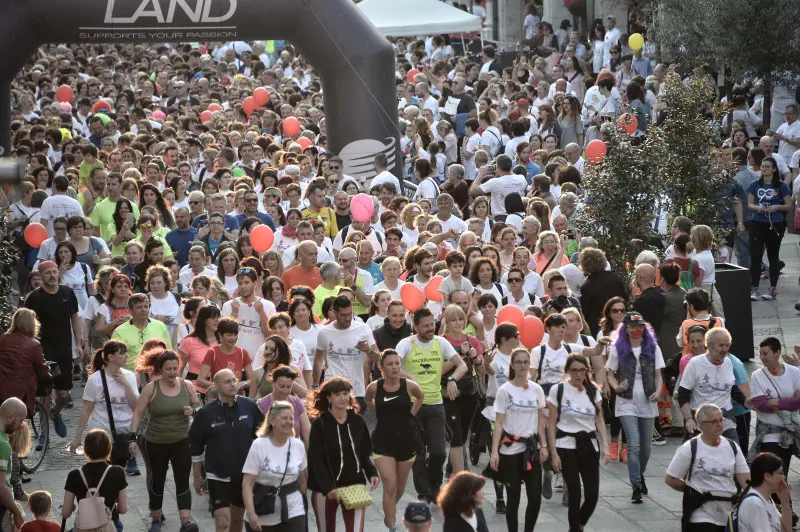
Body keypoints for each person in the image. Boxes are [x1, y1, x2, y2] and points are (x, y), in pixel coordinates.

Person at [395, 308, 468, 504]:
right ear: (416, 326)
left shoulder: (441, 342)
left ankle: (434, 486)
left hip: (436, 404)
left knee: (438, 451)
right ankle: (424, 493)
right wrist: (407, 377)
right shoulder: (406, 344)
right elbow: (392, 366)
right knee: (418, 453)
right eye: (425, 326)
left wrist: (452, 378)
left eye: (432, 325)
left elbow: (462, 365)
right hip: (413, 405)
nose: (430, 329)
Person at [130, 350, 201, 532]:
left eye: (175, 368)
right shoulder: (151, 388)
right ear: (160, 370)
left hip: (181, 441)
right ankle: (155, 518)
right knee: (157, 480)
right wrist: (132, 438)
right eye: (168, 369)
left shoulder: (187, 386)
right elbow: (137, 413)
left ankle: (185, 521)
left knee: (182, 479)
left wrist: (192, 412)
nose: (172, 372)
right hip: (155, 442)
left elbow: (198, 407)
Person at [190, 369, 265, 532]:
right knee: (223, 522)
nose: (232, 384)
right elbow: (195, 448)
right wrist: (197, 477)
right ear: (216, 386)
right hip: (217, 474)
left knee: (237, 518)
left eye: (234, 380)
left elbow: (264, 435)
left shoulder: (249, 406)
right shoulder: (205, 414)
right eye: (227, 381)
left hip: (244, 474)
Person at [605, 312, 665, 503]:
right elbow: (610, 374)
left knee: (646, 449)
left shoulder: (653, 348)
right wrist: (615, 387)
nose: (637, 330)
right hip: (626, 401)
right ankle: (636, 486)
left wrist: (658, 391)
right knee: (634, 444)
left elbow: (658, 375)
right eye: (632, 326)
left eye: (640, 327)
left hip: (647, 400)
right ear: (626, 328)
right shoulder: (618, 348)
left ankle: (640, 474)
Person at [306, 377, 379, 532]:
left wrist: (372, 473)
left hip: (354, 485)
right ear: (329, 397)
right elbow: (315, 460)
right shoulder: (320, 424)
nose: (343, 397)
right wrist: (328, 488)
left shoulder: (358, 421)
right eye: (337, 394)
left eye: (346, 393)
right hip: (325, 490)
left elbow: (364, 453)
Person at [548, 354, 610, 532]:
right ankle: (574, 529)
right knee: (574, 494)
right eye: (574, 370)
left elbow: (599, 420)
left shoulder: (593, 391)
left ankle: (579, 525)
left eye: (582, 370)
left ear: (587, 371)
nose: (578, 374)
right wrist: (554, 453)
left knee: (592, 495)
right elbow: (551, 423)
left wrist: (605, 446)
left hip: (589, 444)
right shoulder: (558, 391)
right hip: (566, 445)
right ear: (567, 371)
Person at [665, 403, 750, 531]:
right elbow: (670, 478)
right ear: (701, 425)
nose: (720, 424)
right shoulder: (690, 448)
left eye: (721, 420)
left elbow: (746, 480)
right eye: (714, 421)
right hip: (700, 514)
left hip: (726, 514)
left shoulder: (732, 446)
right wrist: (692, 491)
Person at [365, 350, 424, 532]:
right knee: (389, 486)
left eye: (397, 363)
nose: (394, 367)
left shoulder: (409, 385)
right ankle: (392, 525)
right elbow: (368, 401)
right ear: (381, 367)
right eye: (390, 364)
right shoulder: (375, 387)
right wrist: (380, 413)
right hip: (382, 442)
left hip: (406, 442)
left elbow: (420, 396)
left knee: (399, 489)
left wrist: (411, 415)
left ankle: (389, 507)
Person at [23, 260, 83, 439]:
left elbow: (75, 317)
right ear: (40, 276)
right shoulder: (35, 298)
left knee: (63, 395)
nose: (52, 275)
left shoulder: (67, 292)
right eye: (47, 273)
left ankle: (56, 414)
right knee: (46, 394)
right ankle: (43, 434)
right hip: (43, 351)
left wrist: (79, 343)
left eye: (54, 272)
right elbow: (27, 324)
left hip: (64, 349)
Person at [490, 348, 547, 532]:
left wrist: (544, 445)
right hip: (510, 450)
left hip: (531, 450)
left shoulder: (536, 390)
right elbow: (498, 423)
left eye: (525, 362)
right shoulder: (504, 391)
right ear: (512, 365)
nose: (523, 365)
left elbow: (540, 422)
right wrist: (494, 452)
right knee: (513, 499)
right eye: (519, 362)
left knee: (535, 498)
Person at [69, 341, 139, 476]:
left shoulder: (129, 376)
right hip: (101, 432)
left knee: (117, 475)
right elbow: (86, 409)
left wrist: (126, 384)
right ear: (111, 357)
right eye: (123, 353)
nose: (127, 356)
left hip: (123, 433)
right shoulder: (95, 379)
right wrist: (78, 437)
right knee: (101, 474)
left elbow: (135, 406)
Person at [747, 337, 800, 509]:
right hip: (769, 433)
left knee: (781, 471)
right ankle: (787, 512)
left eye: (766, 353)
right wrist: (788, 401)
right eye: (760, 353)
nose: (762, 357)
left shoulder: (794, 372)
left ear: (777, 353)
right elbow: (761, 404)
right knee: (776, 472)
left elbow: (798, 402)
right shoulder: (757, 376)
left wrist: (776, 402)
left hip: (791, 431)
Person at [678, 328, 747, 442]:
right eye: (721, 345)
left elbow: (731, 388)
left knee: (733, 453)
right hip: (702, 420)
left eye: (727, 345)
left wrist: (745, 401)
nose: (725, 350)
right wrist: (689, 419)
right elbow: (683, 394)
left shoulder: (728, 361)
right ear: (709, 346)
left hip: (725, 418)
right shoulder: (695, 364)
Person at [313, 295, 379, 412]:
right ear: (335, 312)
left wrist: (368, 350)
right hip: (333, 388)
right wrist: (315, 386)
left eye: (350, 314)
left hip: (356, 389)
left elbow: (378, 358)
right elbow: (318, 360)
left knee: (355, 427)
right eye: (343, 315)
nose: (347, 318)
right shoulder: (324, 332)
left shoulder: (363, 328)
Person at [61, 429, 128, 532]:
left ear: (86, 450)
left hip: (84, 527)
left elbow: (66, 513)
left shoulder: (74, 475)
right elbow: (123, 509)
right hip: (110, 526)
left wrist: (71, 507)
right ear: (109, 449)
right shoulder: (117, 472)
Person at [747, 156, 791, 300]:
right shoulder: (755, 184)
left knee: (773, 256)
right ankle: (755, 288)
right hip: (757, 222)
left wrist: (777, 206)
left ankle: (772, 289)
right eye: (763, 166)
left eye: (767, 166)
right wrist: (758, 208)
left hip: (775, 223)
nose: (764, 169)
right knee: (755, 256)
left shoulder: (781, 186)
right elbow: (750, 203)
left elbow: (788, 205)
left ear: (773, 169)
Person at [111, 293, 172, 374]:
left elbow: (169, 352)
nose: (143, 310)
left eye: (146, 307)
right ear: (130, 310)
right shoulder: (119, 331)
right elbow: (114, 359)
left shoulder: (160, 326)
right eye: (139, 307)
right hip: (130, 377)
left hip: (157, 375)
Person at [735, 452, 792, 532]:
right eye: (780, 473)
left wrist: (785, 501)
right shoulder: (754, 503)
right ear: (767, 476)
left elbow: (787, 530)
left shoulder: (767, 499)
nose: (783, 477)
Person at [256, 366, 312, 446]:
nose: (285, 391)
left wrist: (311, 455)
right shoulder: (261, 405)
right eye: (281, 386)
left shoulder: (297, 402)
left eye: (289, 387)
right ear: (272, 383)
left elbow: (306, 432)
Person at [0, 398, 29, 531]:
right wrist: (17, 512)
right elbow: (1, 487)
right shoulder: (3, 445)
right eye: (21, 420)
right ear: (11, 417)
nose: (21, 426)